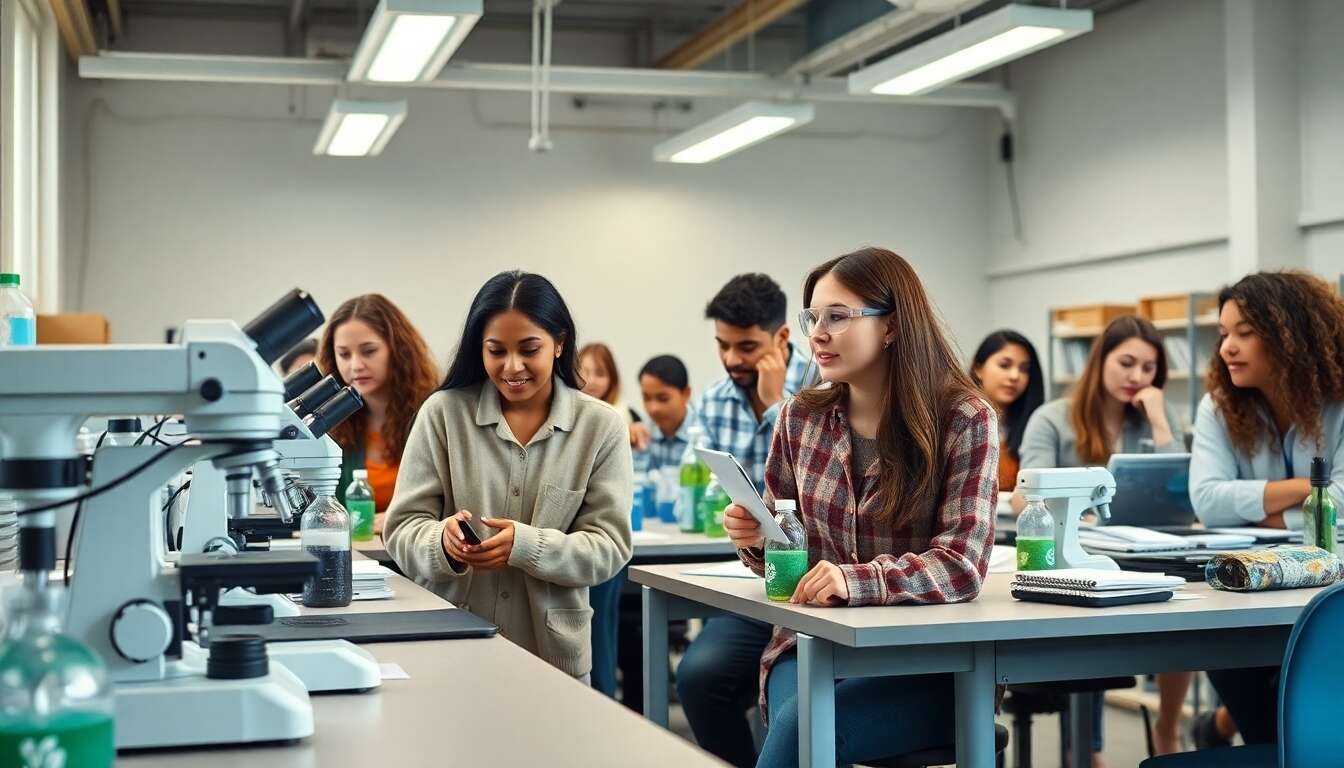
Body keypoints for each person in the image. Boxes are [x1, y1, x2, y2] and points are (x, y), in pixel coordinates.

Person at [722, 247, 998, 767]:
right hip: (812, 645)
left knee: (802, 732)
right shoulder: (800, 418)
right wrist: (760, 540)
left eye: (838, 317)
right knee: (798, 725)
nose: (818, 333)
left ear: (891, 326)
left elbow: (962, 565)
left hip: (926, 665)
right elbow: (788, 557)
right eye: (813, 318)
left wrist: (858, 581)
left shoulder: (964, 419)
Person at [383, 271, 633, 680]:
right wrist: (441, 543)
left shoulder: (601, 427)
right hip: (452, 649)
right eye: (496, 350)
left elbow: (609, 548)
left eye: (529, 349)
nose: (512, 366)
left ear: (560, 343)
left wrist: (526, 546)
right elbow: (401, 530)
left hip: (552, 661)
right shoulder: (443, 414)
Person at [1016, 314, 1187, 763]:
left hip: (1141, 546)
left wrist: (1159, 420)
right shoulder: (1053, 418)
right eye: (1126, 363)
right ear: (1100, 361)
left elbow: (1179, 490)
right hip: (1076, 546)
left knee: (1183, 617)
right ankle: (1087, 748)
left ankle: (1168, 728)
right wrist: (1075, 516)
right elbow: (1023, 496)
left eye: (1149, 369)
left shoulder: (1150, 419)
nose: (1137, 377)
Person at [1188, 271, 1344, 749]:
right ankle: (1262, 746)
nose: (1227, 348)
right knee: (1223, 648)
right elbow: (1209, 502)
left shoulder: (1338, 402)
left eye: (1244, 333)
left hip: (1332, 582)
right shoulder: (1218, 407)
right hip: (1249, 586)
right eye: (1222, 335)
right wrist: (1306, 490)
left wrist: (1261, 508)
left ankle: (1235, 735)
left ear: (1290, 335)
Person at [674, 273, 813, 768]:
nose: (733, 359)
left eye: (747, 346)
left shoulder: (822, 387)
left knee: (800, 703)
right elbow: (708, 494)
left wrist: (780, 407)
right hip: (753, 580)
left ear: (781, 339)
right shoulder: (713, 400)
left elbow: (813, 498)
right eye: (723, 346)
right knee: (697, 676)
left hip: (818, 580)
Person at [317, 294, 439, 534]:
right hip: (357, 557)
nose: (355, 365)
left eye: (368, 351)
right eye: (344, 354)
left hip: (415, 559)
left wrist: (395, 518)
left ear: (399, 350)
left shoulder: (434, 413)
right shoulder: (331, 423)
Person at [969, 330, 1044, 493]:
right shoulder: (959, 420)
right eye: (1004, 365)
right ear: (978, 368)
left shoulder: (1037, 426)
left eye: (1024, 369)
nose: (1015, 376)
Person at [633, 355, 696, 476]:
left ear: (686, 394)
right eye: (646, 398)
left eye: (663, 399)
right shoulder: (642, 434)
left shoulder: (705, 436)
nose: (653, 408)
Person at [578, 342, 648, 448]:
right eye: (585, 372)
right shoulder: (562, 413)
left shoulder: (633, 419)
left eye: (600, 374)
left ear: (612, 378)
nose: (591, 381)